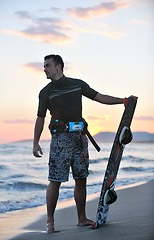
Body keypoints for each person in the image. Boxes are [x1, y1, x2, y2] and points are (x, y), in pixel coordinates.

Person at [33, 54, 126, 233]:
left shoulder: (77, 84)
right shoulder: (46, 92)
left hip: (80, 139)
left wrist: (122, 101)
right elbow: (40, 119)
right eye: (44, 66)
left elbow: (99, 97)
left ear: (59, 66)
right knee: (55, 180)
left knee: (81, 178)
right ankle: (50, 222)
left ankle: (81, 218)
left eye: (47, 66)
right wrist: (35, 142)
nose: (44, 69)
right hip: (60, 140)